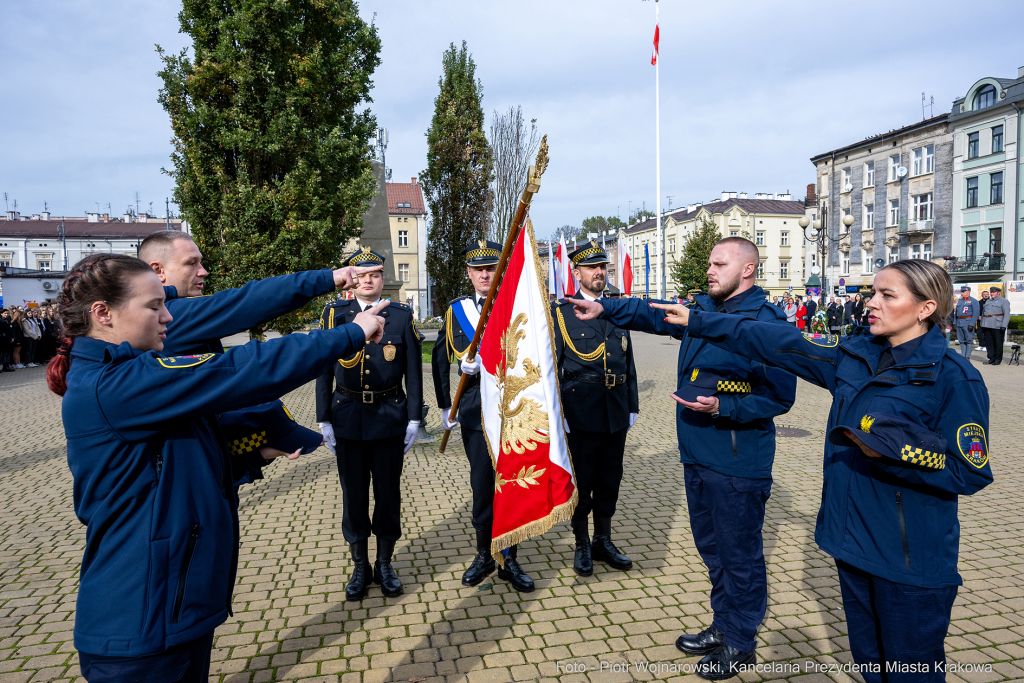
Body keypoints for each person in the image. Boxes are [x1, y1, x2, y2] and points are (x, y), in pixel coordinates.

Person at [645, 259, 993, 682]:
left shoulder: (954, 379)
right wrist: (700, 321)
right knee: (870, 664)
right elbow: (774, 341)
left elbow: (969, 471)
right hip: (851, 544)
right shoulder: (855, 356)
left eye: (887, 295)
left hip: (909, 560)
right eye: (872, 293)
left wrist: (894, 453)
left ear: (924, 308)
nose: (871, 304)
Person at [48, 253, 387, 683]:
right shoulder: (117, 385)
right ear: (103, 314)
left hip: (171, 612)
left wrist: (251, 454)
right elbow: (244, 368)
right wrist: (351, 334)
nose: (169, 317)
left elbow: (168, 466)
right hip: (140, 626)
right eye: (154, 306)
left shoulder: (127, 378)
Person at [569, 237, 796, 679]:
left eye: (719, 263)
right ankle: (723, 625)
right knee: (713, 551)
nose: (709, 270)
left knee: (740, 557)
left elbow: (780, 396)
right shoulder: (705, 310)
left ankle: (740, 642)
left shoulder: (765, 322)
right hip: (697, 455)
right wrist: (606, 309)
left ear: (747, 270)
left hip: (736, 463)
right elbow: (653, 314)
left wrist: (723, 407)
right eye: (709, 261)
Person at [316, 247, 423, 600]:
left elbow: (412, 369)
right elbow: (322, 369)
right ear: (352, 280)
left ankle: (385, 563)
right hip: (347, 417)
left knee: (389, 495)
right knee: (354, 495)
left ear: (381, 279)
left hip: (389, 417)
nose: (368, 281)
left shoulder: (401, 316)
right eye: (361, 275)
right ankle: (360, 564)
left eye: (374, 275)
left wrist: (413, 418)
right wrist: (322, 418)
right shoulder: (335, 315)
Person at [432, 239, 534, 592]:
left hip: (512, 410)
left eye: (490, 268)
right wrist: (446, 406)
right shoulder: (456, 310)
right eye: (478, 270)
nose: (485, 275)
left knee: (513, 484)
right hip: (475, 412)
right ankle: (484, 553)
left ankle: (511, 557)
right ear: (469, 274)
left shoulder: (516, 306)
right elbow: (437, 359)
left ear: (499, 270)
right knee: (481, 486)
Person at [551, 241, 639, 576]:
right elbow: (552, 368)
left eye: (603, 267)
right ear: (577, 273)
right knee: (582, 482)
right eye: (592, 268)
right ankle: (582, 543)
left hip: (614, 409)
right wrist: (559, 414)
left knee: (609, 479)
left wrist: (632, 403)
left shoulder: (617, 310)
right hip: (580, 412)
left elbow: (628, 361)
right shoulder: (561, 314)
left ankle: (604, 539)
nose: (599, 272)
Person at [980, 286, 1011, 365]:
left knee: (998, 343)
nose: (992, 294)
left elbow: (1006, 314)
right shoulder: (988, 301)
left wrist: (1004, 325)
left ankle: (997, 359)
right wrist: (982, 324)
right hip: (987, 324)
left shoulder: (1004, 301)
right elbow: (984, 313)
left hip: (997, 325)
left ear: (998, 293)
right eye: (991, 292)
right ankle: (991, 358)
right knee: (989, 343)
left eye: (993, 292)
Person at [953, 286, 981, 360]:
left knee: (969, 340)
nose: (961, 293)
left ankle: (967, 356)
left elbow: (976, 313)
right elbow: (956, 313)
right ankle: (963, 356)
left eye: (963, 292)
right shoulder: (960, 301)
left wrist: (972, 324)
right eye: (961, 292)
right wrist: (955, 322)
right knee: (961, 340)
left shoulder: (973, 301)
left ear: (968, 292)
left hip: (968, 322)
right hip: (959, 322)